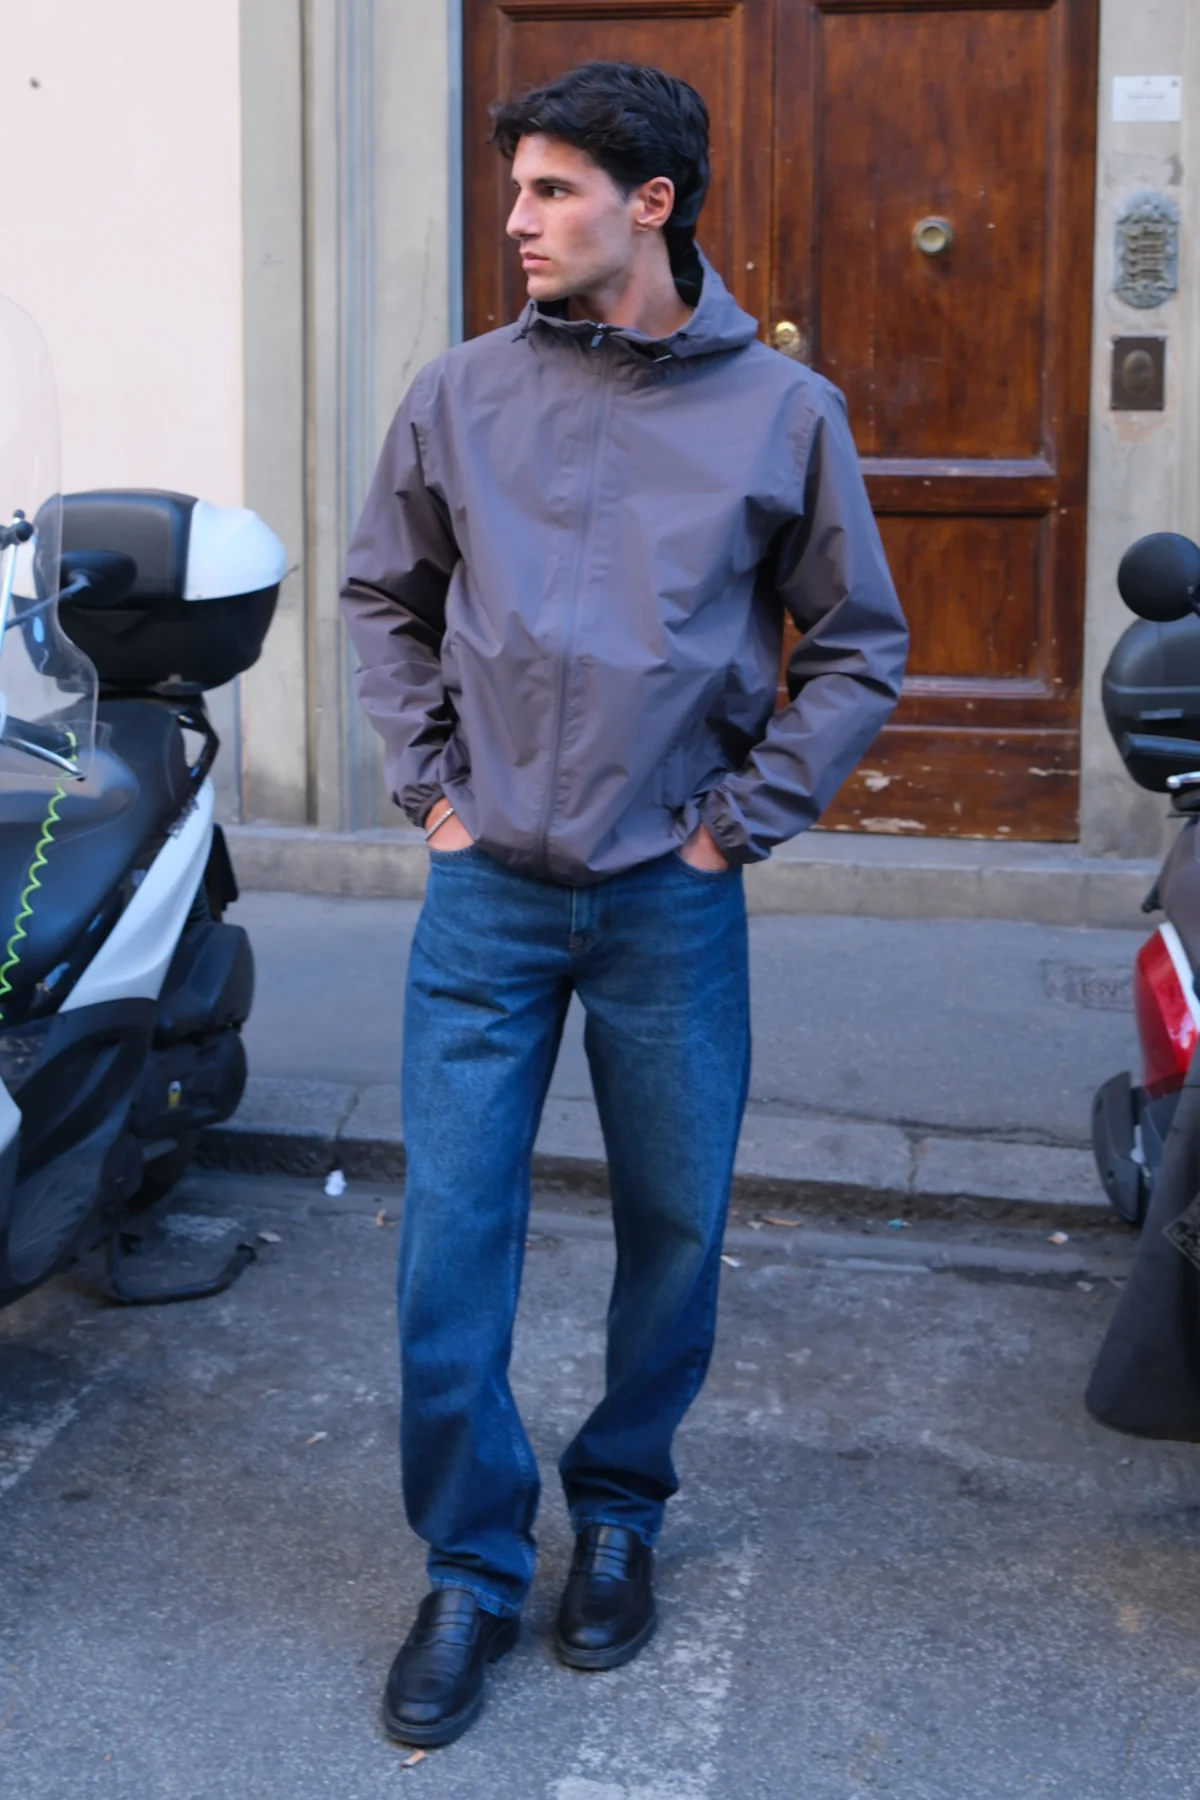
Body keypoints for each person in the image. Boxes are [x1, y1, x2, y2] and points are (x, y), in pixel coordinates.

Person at [341, 59, 908, 1748]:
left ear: (651, 203)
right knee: (451, 1240)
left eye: (553, 191)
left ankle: (622, 1513)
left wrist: (736, 830)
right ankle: (469, 1565)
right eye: (515, 189)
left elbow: (857, 646)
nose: (517, 221)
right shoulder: (460, 393)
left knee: (674, 1229)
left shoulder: (784, 413)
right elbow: (384, 597)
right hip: (488, 900)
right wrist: (434, 793)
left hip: (671, 894)